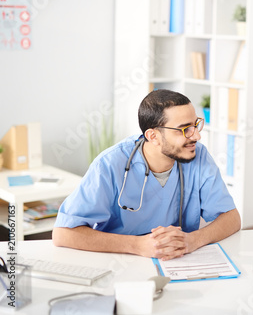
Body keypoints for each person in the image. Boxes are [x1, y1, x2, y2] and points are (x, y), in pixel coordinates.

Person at [53, 90, 241, 261]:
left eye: (195, 125)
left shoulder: (198, 155)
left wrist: (192, 240)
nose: (196, 137)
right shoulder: (110, 164)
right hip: (121, 260)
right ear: (153, 136)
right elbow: (63, 234)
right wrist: (138, 246)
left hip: (178, 260)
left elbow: (232, 218)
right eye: (185, 129)